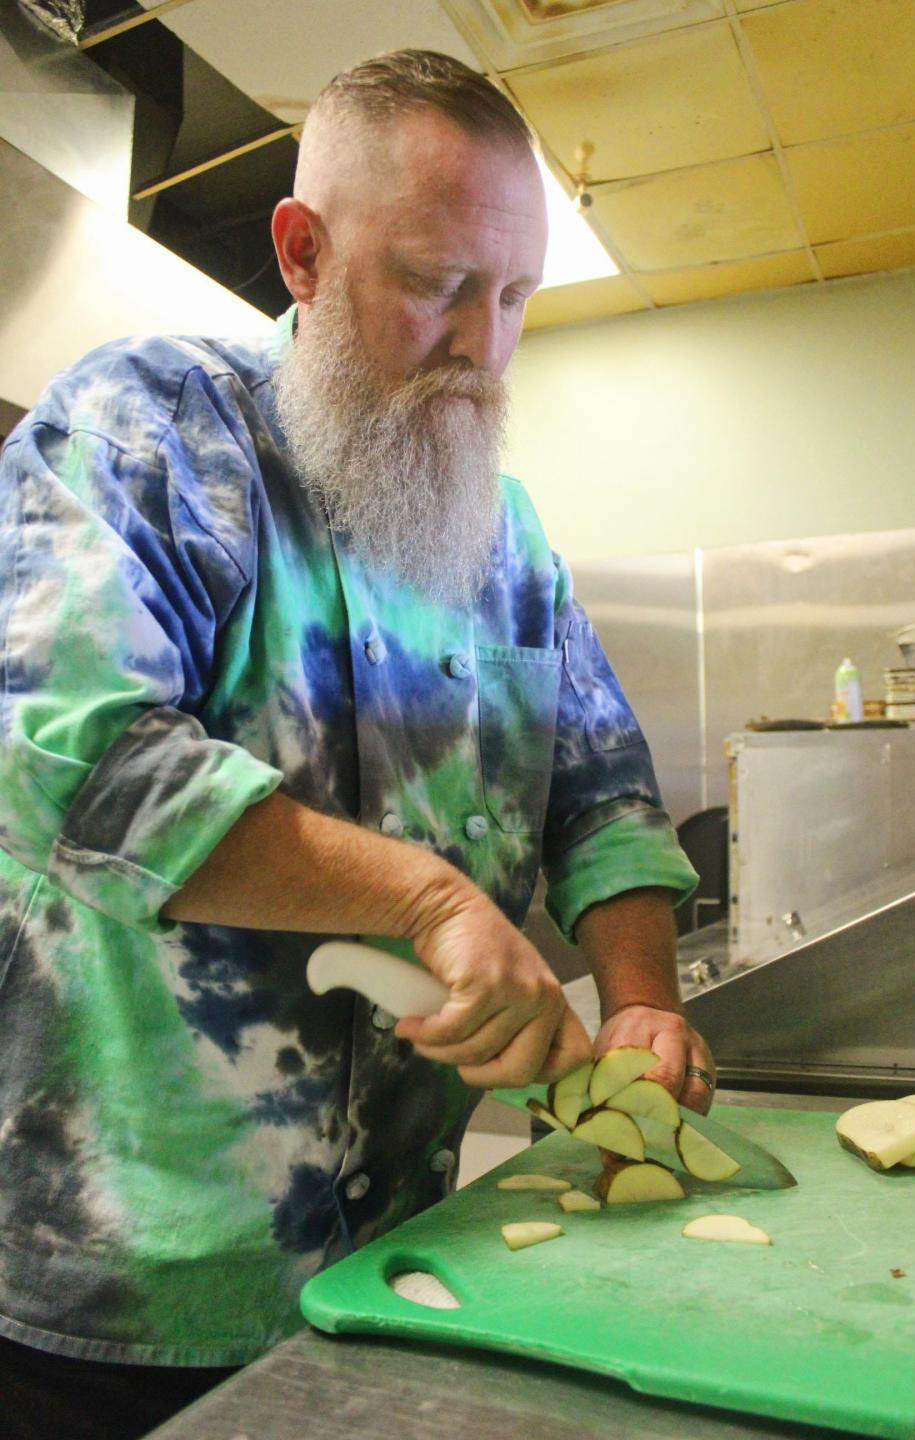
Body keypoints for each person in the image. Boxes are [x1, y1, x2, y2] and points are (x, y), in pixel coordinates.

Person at [0, 48, 710, 1440]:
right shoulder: (150, 427)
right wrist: (429, 900)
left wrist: (641, 999)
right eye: (439, 282)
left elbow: (604, 796)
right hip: (122, 1290)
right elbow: (83, 766)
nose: (481, 347)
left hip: (403, 1254)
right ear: (304, 253)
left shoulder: (505, 537)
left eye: (514, 299)